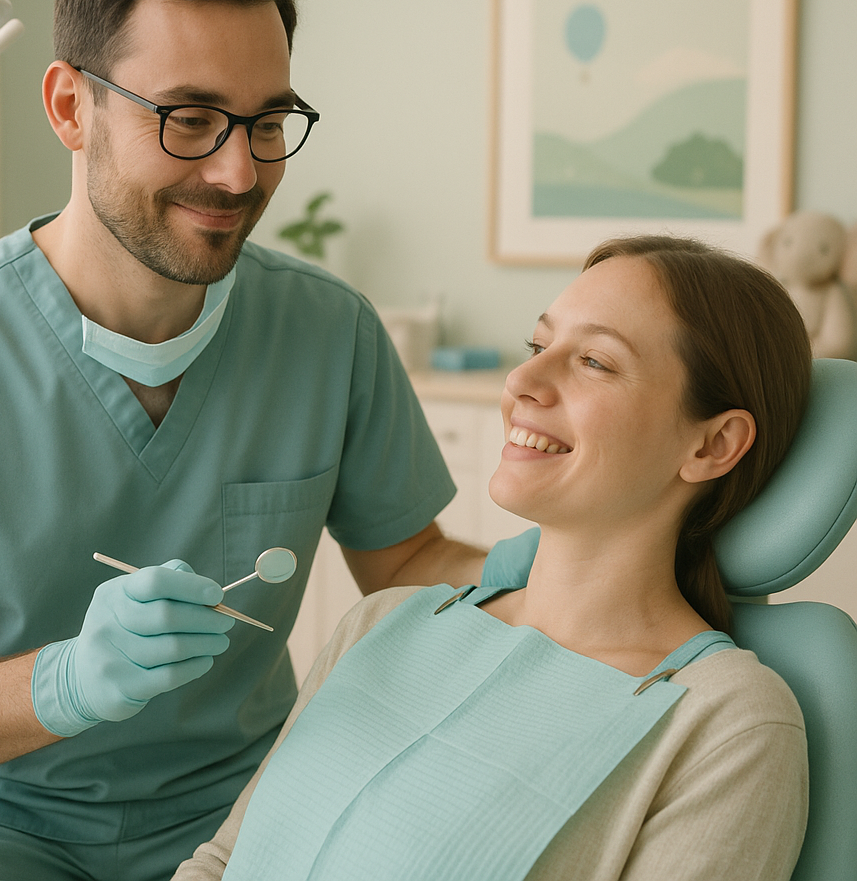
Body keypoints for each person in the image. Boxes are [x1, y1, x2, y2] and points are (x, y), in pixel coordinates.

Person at [0, 0, 503, 881]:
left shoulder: (326, 330)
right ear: (70, 106)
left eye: (267, 122)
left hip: (249, 798)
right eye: (188, 118)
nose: (238, 171)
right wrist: (64, 683)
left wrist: (576, 573)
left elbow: (409, 560)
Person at [175, 235, 812, 881]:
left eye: (594, 361)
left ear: (714, 444)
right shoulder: (382, 623)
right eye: (539, 346)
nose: (522, 381)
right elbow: (222, 861)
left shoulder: (724, 721)